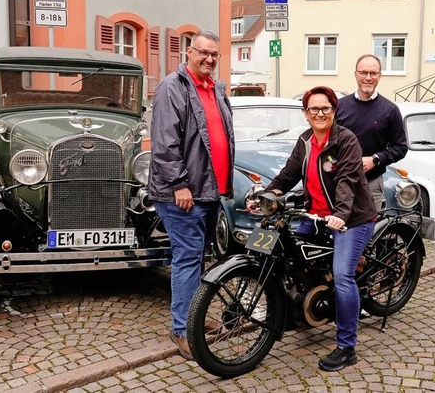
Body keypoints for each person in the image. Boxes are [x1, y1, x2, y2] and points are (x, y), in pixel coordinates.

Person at [261, 86, 377, 372]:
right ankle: (300, 308)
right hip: (316, 215)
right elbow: (288, 174)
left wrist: (340, 215)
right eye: (313, 109)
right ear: (305, 113)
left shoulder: (345, 140)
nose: (319, 113)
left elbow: (347, 182)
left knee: (343, 275)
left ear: (334, 111)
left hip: (352, 217)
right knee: (291, 253)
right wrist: (265, 195)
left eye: (325, 108)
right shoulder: (305, 140)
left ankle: (347, 346)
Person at [148, 29, 234, 360]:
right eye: (204, 53)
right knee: (187, 258)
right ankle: (182, 330)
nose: (209, 59)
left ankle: (194, 317)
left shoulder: (217, 89)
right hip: (183, 193)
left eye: (215, 54)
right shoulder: (173, 87)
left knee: (199, 257)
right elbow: (164, 144)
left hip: (210, 190)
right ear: (189, 52)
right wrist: (179, 184)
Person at [336, 54, 408, 210]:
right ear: (356, 74)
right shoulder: (339, 107)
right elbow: (326, 144)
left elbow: (400, 148)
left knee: (368, 232)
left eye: (373, 73)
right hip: (339, 181)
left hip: (371, 183)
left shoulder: (390, 110)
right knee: (337, 228)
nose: (368, 78)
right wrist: (330, 165)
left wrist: (375, 159)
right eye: (363, 73)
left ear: (379, 76)